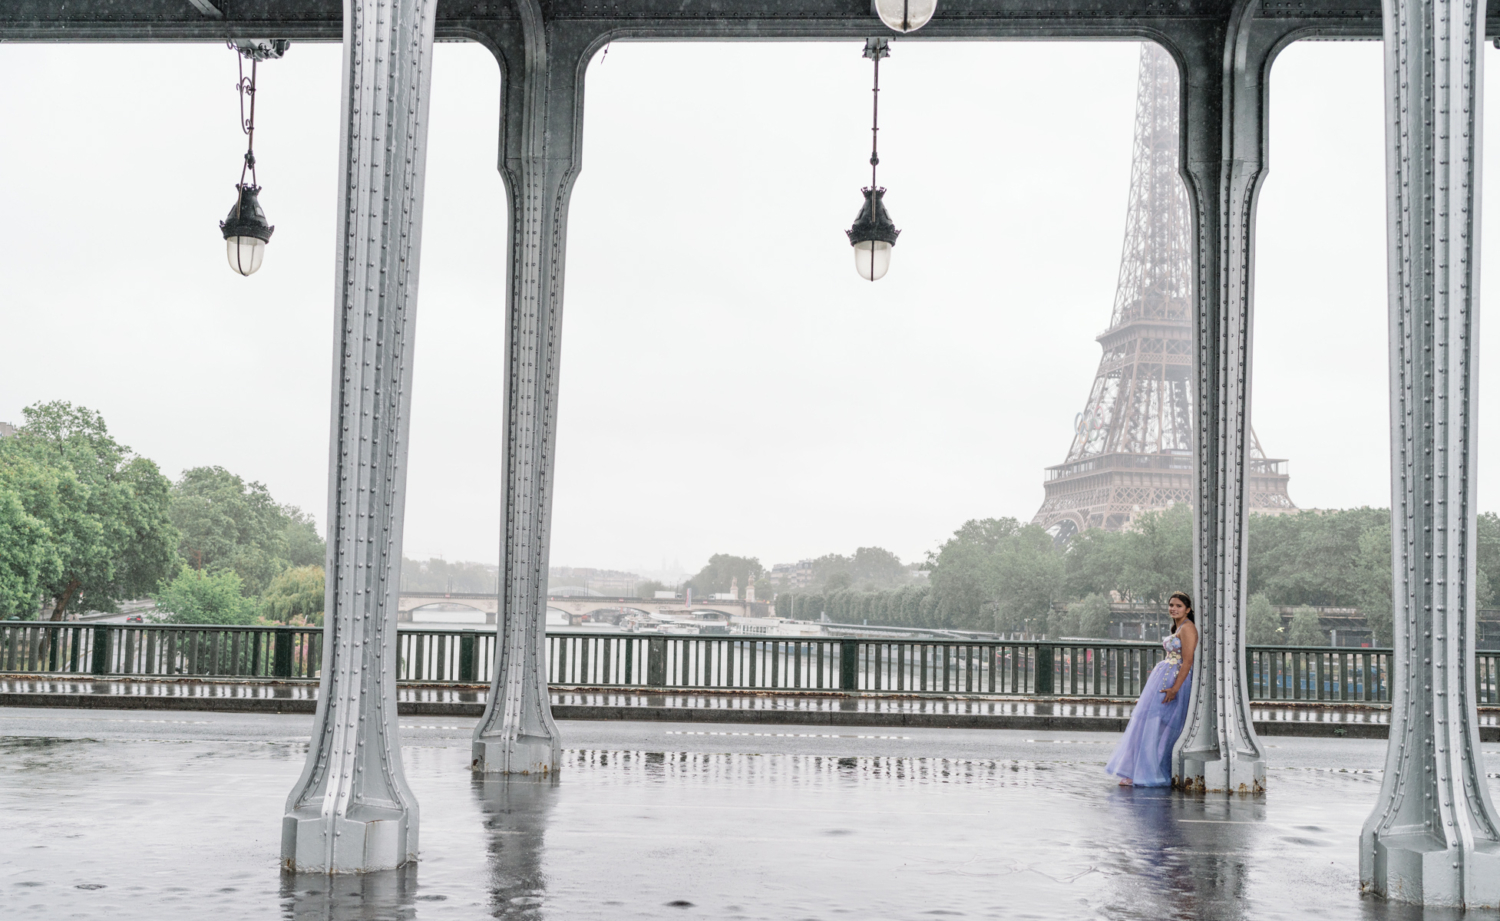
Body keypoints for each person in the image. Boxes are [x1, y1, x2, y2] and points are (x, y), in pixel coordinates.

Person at [1105, 591, 1197, 787]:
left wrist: (1175, 688)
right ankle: (1140, 770)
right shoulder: (1179, 626)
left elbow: (1188, 661)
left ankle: (1153, 772)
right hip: (1164, 678)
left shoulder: (1188, 628)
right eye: (1171, 605)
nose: (1173, 608)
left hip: (1174, 680)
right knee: (1149, 725)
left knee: (1162, 727)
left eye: (1178, 605)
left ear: (1188, 609)